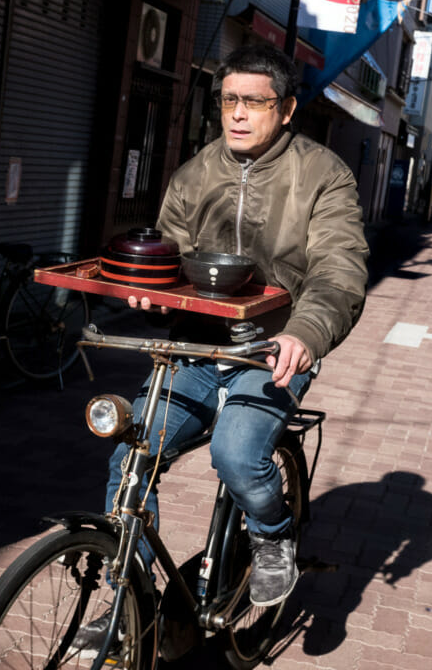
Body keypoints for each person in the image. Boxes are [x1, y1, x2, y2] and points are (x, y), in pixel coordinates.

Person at [91, 43, 369, 634]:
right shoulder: (196, 174)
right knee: (129, 457)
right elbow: (166, 259)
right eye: (229, 100)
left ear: (287, 108)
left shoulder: (323, 176)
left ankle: (273, 536)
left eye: (255, 102)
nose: (238, 114)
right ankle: (126, 605)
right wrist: (150, 296)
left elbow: (339, 270)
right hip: (195, 346)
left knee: (238, 457)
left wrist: (306, 332)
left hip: (272, 348)